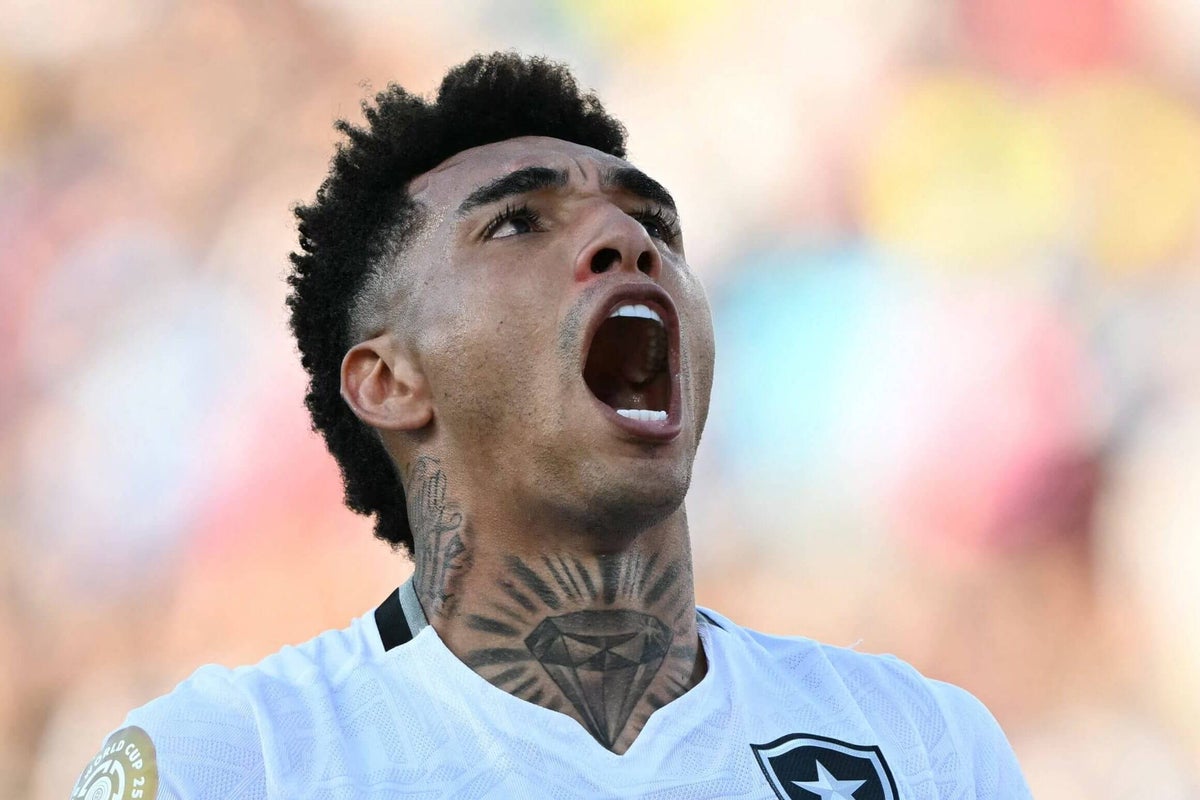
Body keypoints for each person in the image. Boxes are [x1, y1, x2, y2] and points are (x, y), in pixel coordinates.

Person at [72, 52, 1032, 799]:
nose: (629, 241)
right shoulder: (237, 763)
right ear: (392, 380)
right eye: (518, 223)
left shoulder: (918, 746)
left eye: (655, 222)